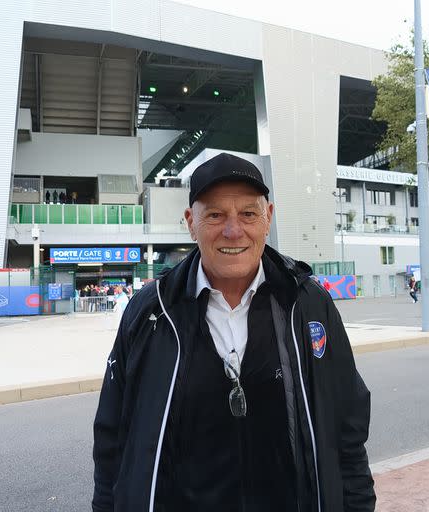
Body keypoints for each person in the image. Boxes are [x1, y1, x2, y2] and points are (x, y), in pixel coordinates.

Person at [92, 152, 375, 511]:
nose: (233, 230)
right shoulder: (150, 312)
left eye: (248, 213)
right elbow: (112, 439)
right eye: (215, 215)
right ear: (190, 222)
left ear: (268, 218)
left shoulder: (307, 304)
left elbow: (348, 428)